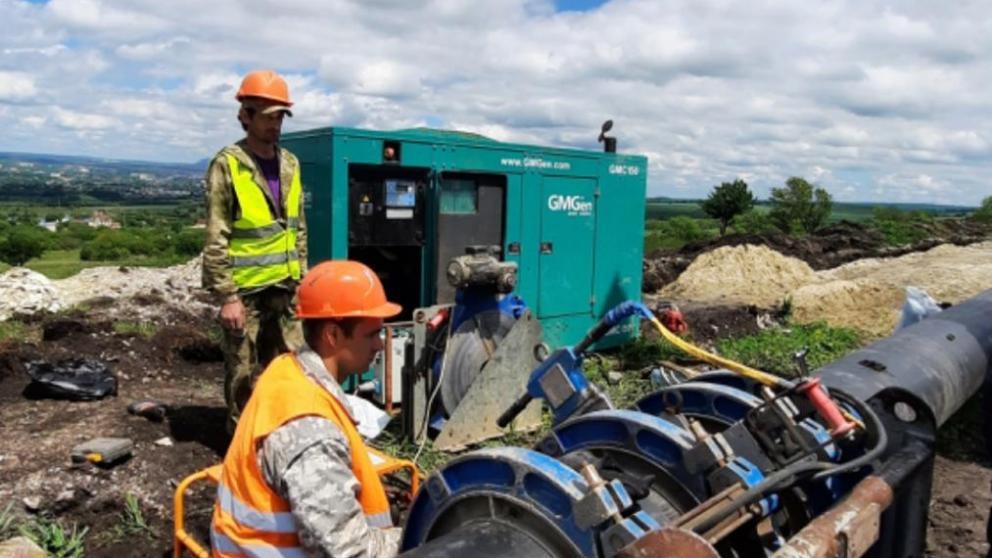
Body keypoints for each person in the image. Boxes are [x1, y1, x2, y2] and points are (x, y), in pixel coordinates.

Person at [210, 260, 403, 558]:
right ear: (333, 335)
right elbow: (349, 553)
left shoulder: (286, 370)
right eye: (371, 335)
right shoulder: (311, 431)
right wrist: (422, 536)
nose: (380, 345)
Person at [202, 69, 308, 432]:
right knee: (243, 375)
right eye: (267, 116)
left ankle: (280, 439)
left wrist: (302, 280)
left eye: (280, 116)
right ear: (245, 116)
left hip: (285, 289)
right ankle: (240, 447)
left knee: (290, 368)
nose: (275, 124)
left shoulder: (291, 164)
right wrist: (227, 296)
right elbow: (217, 234)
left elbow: (298, 229)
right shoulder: (229, 165)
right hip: (245, 293)